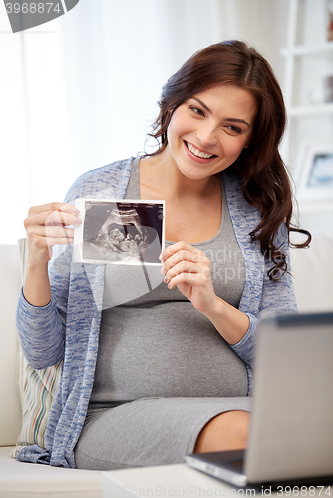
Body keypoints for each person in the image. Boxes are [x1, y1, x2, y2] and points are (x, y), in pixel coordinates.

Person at [16, 40, 310, 470]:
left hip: (246, 409)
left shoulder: (257, 211)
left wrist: (213, 305)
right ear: (171, 105)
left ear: (251, 140)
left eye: (233, 127)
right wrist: (36, 261)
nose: (206, 137)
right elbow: (44, 352)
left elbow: (283, 357)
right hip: (117, 416)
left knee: (286, 433)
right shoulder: (105, 192)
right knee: (251, 437)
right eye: (197, 110)